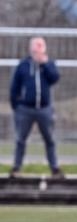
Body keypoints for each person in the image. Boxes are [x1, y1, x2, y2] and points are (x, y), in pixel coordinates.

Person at [9, 37, 64, 179]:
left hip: (44, 109)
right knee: (20, 139)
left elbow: (55, 78)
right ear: (30, 49)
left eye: (40, 48)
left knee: (50, 139)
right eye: (35, 48)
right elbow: (14, 87)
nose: (37, 51)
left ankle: (55, 168)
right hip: (25, 109)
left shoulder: (49, 64)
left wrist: (44, 64)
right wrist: (16, 106)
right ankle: (16, 168)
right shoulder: (23, 65)